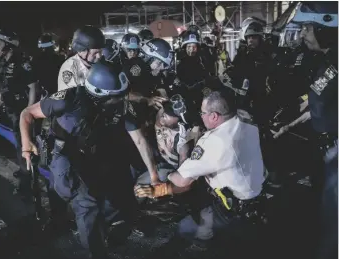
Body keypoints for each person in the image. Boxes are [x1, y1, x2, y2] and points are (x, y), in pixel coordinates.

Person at [20, 62, 147, 258]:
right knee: (87, 204)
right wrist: (26, 144)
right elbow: (27, 113)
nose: (122, 99)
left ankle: (99, 228)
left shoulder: (112, 106)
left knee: (118, 196)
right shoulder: (67, 99)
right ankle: (95, 252)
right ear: (101, 94)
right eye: (117, 96)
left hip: (93, 156)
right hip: (66, 158)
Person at [135, 90, 265, 251]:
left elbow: (182, 182)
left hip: (232, 207)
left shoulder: (214, 142)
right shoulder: (246, 118)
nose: (200, 116)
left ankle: (207, 245)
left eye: (202, 113)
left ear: (214, 116)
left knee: (186, 228)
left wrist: (158, 188)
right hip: (256, 192)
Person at [272, 3, 338, 259]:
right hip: (325, 150)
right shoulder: (329, 62)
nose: (302, 35)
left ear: (326, 29)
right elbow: (319, 105)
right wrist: (287, 125)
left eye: (308, 28)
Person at [0, 29, 39, 197]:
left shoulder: (23, 63)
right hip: (11, 112)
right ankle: (24, 169)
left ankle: (27, 185)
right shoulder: (3, 63)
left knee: (24, 147)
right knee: (19, 144)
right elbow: (4, 88)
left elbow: (33, 88)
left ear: (9, 46)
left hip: (22, 112)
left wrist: (29, 113)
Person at [57, 25, 105, 91]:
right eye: (95, 53)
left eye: (100, 51)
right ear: (81, 51)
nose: (99, 56)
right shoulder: (70, 69)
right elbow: (67, 99)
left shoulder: (102, 63)